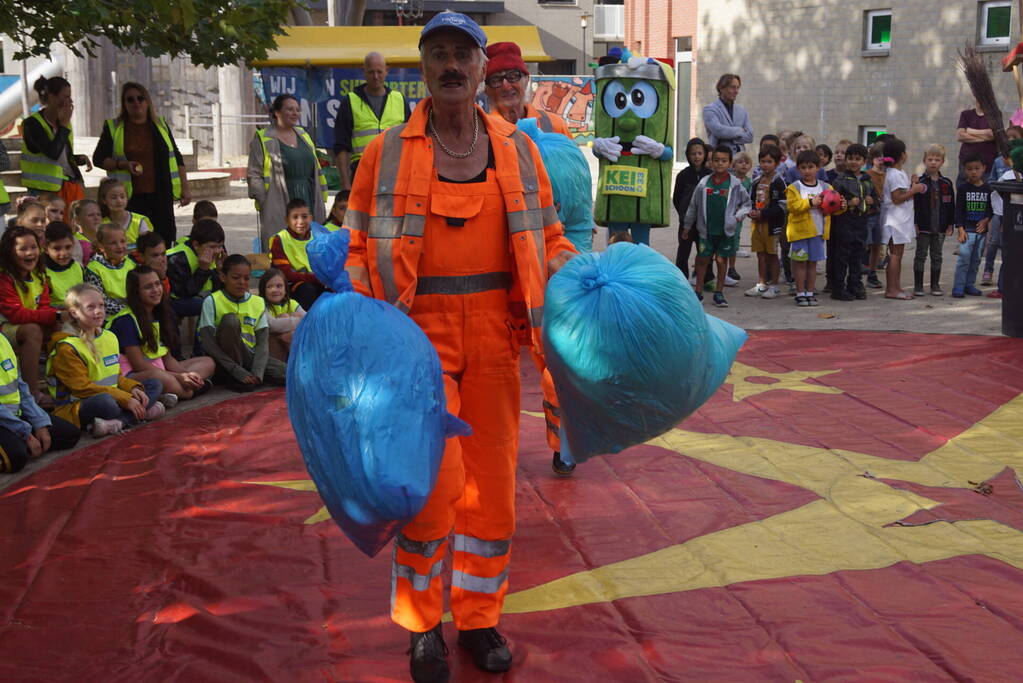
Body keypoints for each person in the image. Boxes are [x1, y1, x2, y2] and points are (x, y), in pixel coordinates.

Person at [342, 12, 576, 680]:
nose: (450, 66)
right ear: (423, 68)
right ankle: (422, 628)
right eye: (438, 54)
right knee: (429, 487)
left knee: (491, 491)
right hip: (415, 340)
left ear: (480, 68)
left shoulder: (518, 148)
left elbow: (549, 233)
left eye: (461, 55)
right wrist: (363, 324)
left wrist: (570, 269)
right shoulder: (382, 152)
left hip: (497, 334)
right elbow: (357, 247)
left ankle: (478, 620)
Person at [46, 283, 164, 436]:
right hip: (78, 405)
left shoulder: (109, 337)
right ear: (74, 312)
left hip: (113, 395)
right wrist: (126, 399)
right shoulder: (67, 347)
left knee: (154, 384)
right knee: (106, 403)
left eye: (101, 306)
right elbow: (82, 388)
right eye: (91, 307)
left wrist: (132, 389)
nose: (98, 311)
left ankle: (119, 422)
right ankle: (141, 413)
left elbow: (116, 377)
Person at [92, 82, 191, 245]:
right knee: (134, 243)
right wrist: (123, 165)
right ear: (124, 104)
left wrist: (185, 188)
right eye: (130, 100)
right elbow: (98, 158)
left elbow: (176, 157)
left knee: (163, 240)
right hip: (130, 197)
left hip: (161, 194)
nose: (136, 102)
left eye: (140, 98)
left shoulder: (161, 125)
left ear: (147, 101)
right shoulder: (113, 127)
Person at [110, 267, 214, 401]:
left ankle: (174, 391)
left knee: (207, 362)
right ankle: (189, 393)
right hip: (132, 375)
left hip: (159, 368)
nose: (156, 290)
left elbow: (167, 358)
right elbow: (138, 365)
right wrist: (178, 377)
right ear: (136, 292)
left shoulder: (159, 313)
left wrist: (187, 376)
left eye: (157, 284)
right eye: (148, 287)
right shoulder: (126, 321)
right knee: (162, 378)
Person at [248, 94, 328, 250]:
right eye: (290, 109)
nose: (295, 113)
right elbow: (254, 174)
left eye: (297, 110)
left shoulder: (304, 135)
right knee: (282, 247)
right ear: (277, 112)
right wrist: (264, 200)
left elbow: (316, 168)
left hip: (308, 197)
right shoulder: (264, 137)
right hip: (278, 199)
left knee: (310, 245)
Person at [198, 254, 285, 392]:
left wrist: (258, 372)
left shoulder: (258, 302)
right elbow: (208, 343)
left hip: (250, 357)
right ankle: (233, 377)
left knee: (287, 373)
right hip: (224, 361)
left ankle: (251, 377)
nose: (242, 282)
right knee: (230, 320)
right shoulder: (212, 301)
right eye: (236, 278)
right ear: (223, 277)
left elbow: (262, 343)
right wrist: (236, 370)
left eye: (246, 278)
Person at [0, 329, 79, 474]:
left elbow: (20, 386)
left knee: (69, 435)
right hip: (3, 420)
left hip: (15, 415)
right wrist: (26, 433)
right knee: (15, 458)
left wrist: (39, 422)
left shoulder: (2, 339)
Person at [683, 144, 752, 308]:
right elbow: (694, 206)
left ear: (730, 164)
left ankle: (719, 293)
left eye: (724, 161)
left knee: (722, 261)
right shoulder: (704, 183)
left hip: (725, 231)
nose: (720, 163)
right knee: (702, 260)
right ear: (711, 162)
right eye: (716, 160)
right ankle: (698, 292)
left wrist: (736, 218)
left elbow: (747, 204)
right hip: (706, 231)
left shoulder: (734, 184)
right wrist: (687, 226)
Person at [332, 52, 412, 191]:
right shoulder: (350, 101)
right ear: (363, 71)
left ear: (387, 71)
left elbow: (412, 140)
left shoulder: (399, 99)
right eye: (371, 72)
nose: (375, 76)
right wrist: (345, 185)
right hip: (362, 173)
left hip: (395, 173)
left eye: (379, 72)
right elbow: (341, 147)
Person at [0, 226, 59, 403]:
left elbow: (44, 307)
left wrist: (60, 317)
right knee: (33, 331)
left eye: (33, 247)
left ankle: (64, 388)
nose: (30, 253)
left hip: (24, 324)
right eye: (23, 249)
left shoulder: (39, 274)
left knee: (64, 327)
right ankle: (32, 394)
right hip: (4, 329)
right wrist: (54, 316)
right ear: (10, 252)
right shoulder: (4, 277)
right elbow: (16, 315)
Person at [20, 76, 90, 218]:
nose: (70, 101)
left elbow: (61, 157)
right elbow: (52, 153)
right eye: (66, 97)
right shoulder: (32, 124)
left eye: (70, 97)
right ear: (52, 97)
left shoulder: (63, 123)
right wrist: (63, 126)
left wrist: (77, 159)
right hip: (44, 191)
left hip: (68, 186)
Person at [786, 149, 837, 307]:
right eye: (803, 167)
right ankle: (800, 293)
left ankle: (810, 292)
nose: (807, 170)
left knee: (813, 263)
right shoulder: (794, 188)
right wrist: (810, 203)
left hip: (818, 232)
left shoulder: (826, 186)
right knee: (800, 263)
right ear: (798, 169)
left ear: (818, 168)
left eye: (810, 167)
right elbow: (792, 206)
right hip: (800, 233)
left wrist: (841, 205)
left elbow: (833, 205)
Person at [484, 42, 571, 136]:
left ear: (526, 79)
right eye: (496, 80)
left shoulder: (554, 125)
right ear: (486, 89)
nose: (506, 86)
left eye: (513, 76)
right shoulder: (484, 132)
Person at [881, 138, 926, 300]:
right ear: (902, 155)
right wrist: (914, 190)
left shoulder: (898, 174)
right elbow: (897, 198)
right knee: (895, 255)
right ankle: (891, 289)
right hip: (895, 220)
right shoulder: (894, 174)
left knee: (897, 255)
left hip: (900, 220)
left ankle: (896, 287)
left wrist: (911, 184)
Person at [829, 143, 873, 301]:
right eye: (851, 158)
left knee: (857, 256)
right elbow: (832, 202)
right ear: (846, 160)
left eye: (858, 159)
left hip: (861, 222)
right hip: (844, 222)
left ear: (864, 161)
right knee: (842, 256)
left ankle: (854, 284)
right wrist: (848, 202)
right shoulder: (841, 180)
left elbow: (875, 200)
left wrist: (871, 201)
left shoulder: (868, 180)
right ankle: (838, 288)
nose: (854, 162)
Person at [912, 144, 955, 296]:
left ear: (942, 162)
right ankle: (918, 286)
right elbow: (914, 205)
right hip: (923, 226)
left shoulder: (947, 183)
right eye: (930, 159)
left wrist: (951, 224)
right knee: (920, 255)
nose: (933, 162)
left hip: (941, 227)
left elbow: (951, 206)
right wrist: (915, 223)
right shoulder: (920, 182)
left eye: (937, 159)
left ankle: (935, 285)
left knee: (937, 256)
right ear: (924, 161)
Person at [268, 198, 325, 311]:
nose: (300, 221)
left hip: (318, 281)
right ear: (287, 220)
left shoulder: (318, 236)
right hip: (292, 286)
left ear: (311, 218)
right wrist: (317, 278)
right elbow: (286, 274)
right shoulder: (280, 239)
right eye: (295, 217)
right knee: (307, 290)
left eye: (304, 217)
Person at [744, 145, 786, 299]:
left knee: (772, 255)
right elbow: (750, 200)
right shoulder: (756, 181)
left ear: (776, 163)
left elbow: (782, 206)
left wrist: (764, 213)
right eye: (763, 161)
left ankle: (774, 285)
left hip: (772, 225)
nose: (765, 165)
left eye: (769, 162)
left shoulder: (779, 181)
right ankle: (761, 284)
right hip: (757, 224)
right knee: (760, 254)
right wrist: (751, 211)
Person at [166, 218, 224, 319]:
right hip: (176, 301)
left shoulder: (215, 254)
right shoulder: (177, 258)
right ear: (196, 245)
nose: (217, 251)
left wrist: (221, 271)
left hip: (201, 295)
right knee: (211, 306)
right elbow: (183, 292)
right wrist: (203, 269)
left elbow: (217, 289)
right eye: (212, 247)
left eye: (220, 246)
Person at [952, 156, 993, 298]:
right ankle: (958, 286)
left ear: (984, 168)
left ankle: (969, 285)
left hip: (981, 232)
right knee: (963, 259)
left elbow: (991, 209)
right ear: (964, 170)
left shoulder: (988, 188)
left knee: (976, 260)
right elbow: (959, 210)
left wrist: (987, 220)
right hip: (967, 231)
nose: (973, 172)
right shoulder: (963, 188)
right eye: (969, 169)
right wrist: (960, 229)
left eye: (977, 168)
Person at [672, 138, 711, 279]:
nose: (697, 156)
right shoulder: (683, 175)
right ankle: (681, 278)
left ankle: (707, 278)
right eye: (693, 153)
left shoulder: (710, 175)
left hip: (704, 222)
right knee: (683, 251)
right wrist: (684, 215)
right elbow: (677, 198)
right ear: (688, 155)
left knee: (705, 251)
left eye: (700, 153)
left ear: (705, 154)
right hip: (686, 223)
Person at [84, 223, 136, 318]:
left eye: (122, 241)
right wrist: (126, 311)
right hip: (110, 319)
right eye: (113, 243)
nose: (119, 246)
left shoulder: (131, 263)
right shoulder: (94, 268)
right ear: (101, 246)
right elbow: (100, 300)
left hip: (133, 313)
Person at [258, 267, 305, 362]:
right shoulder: (260, 304)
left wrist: (289, 334)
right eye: (270, 287)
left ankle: (296, 365)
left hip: (289, 347)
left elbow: (310, 321)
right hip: (270, 352)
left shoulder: (291, 303)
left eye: (279, 286)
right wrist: (298, 320)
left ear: (285, 289)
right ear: (263, 290)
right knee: (286, 317)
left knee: (292, 319)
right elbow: (272, 325)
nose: (275, 290)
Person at [703, 74, 753, 153]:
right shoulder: (710, 109)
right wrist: (740, 130)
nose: (736, 91)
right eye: (733, 87)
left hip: (740, 159)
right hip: (721, 159)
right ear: (721, 88)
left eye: (737, 88)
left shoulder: (742, 110)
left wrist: (727, 136)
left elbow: (750, 136)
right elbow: (719, 131)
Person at [97, 177, 151, 250]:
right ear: (104, 200)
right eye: (113, 197)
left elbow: (149, 248)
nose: (119, 201)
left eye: (122, 197)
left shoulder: (140, 221)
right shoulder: (101, 224)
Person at [43, 221, 86, 309]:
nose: (63, 253)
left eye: (68, 247)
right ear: (46, 248)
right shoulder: (41, 271)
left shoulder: (77, 267)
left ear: (73, 245)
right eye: (57, 248)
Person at [956, 100, 998, 182]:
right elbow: (960, 136)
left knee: (987, 191)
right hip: (966, 163)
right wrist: (986, 136)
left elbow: (994, 135)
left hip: (988, 164)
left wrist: (970, 131)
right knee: (964, 189)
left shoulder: (994, 114)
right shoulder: (966, 114)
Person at [864, 142, 887, 289]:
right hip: (868, 215)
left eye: (884, 156)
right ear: (871, 158)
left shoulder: (889, 175)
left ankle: (872, 273)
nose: (880, 159)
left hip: (882, 215)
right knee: (863, 244)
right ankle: (856, 271)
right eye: (877, 156)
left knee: (877, 246)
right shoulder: (867, 175)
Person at [729, 151, 754, 282]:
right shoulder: (730, 179)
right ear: (733, 165)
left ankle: (731, 268)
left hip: (739, 217)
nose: (743, 165)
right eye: (740, 162)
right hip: (728, 214)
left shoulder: (749, 182)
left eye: (746, 162)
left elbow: (749, 199)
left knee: (734, 241)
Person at [136, 232, 171, 298]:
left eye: (163, 254)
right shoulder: (135, 274)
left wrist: (162, 276)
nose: (161, 259)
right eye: (155, 255)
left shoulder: (168, 266)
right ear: (142, 256)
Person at [69, 198, 101, 264]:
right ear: (77, 220)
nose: (96, 218)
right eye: (90, 215)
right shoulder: (74, 242)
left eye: (98, 214)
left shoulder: (105, 238)